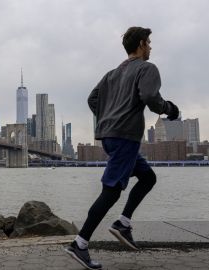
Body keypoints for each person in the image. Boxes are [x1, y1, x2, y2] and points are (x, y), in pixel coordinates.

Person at [64, 26, 179, 270]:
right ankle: (80, 244)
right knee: (111, 191)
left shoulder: (111, 74)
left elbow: (92, 99)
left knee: (148, 177)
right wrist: (169, 108)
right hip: (125, 136)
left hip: (110, 136)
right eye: (148, 42)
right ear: (139, 44)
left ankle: (123, 223)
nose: (150, 47)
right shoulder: (147, 68)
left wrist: (108, 117)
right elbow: (150, 96)